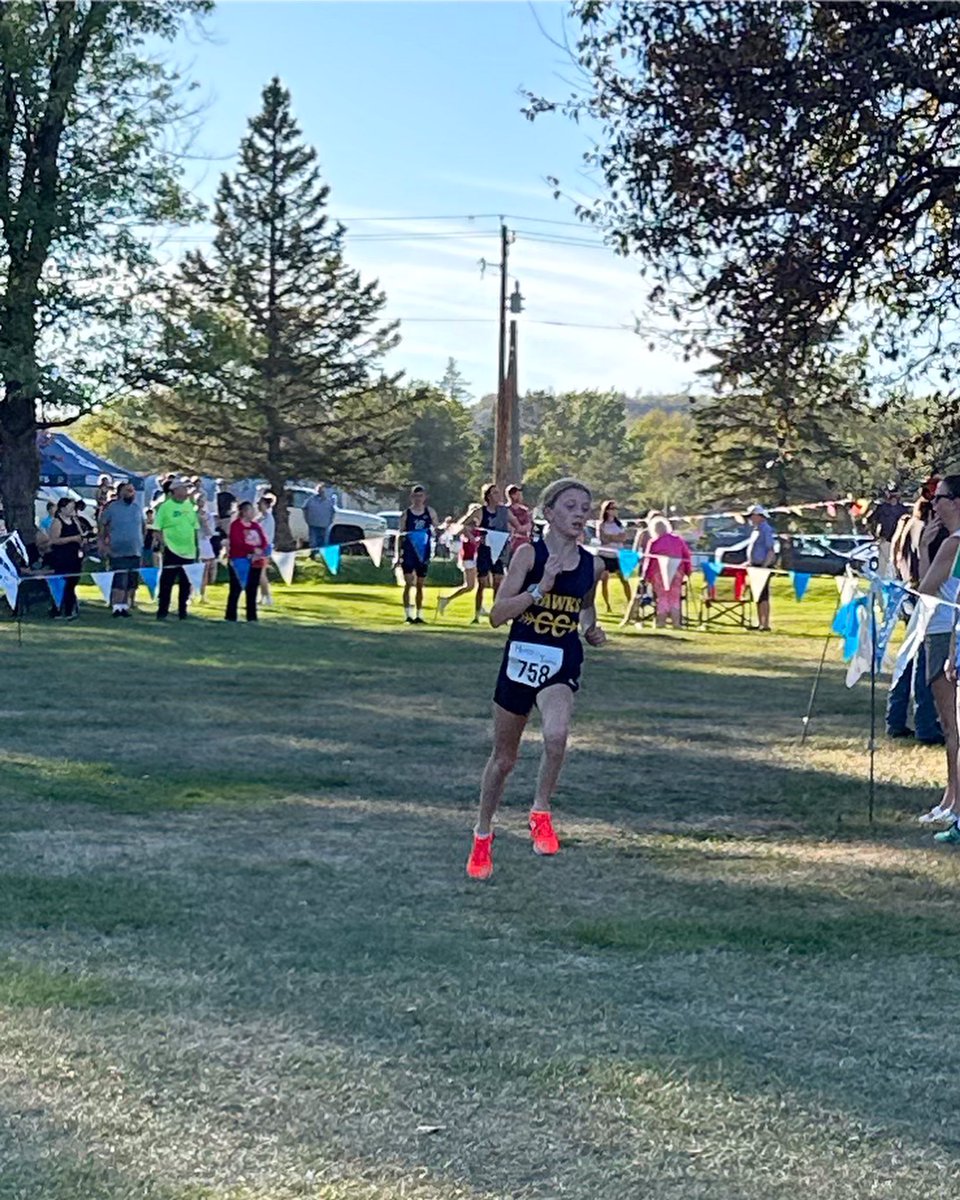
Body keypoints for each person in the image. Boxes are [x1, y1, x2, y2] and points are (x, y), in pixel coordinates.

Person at [466, 478, 607, 880]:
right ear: (549, 513)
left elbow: (585, 609)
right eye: (571, 506)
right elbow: (497, 615)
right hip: (520, 660)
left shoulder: (591, 565)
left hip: (561, 659)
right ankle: (482, 833)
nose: (580, 514)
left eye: (585, 507)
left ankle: (540, 811)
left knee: (556, 735)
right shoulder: (529, 555)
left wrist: (592, 630)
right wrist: (539, 589)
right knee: (503, 760)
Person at [917, 475, 960, 839]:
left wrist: (923, 549)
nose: (934, 504)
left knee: (952, 726)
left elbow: (925, 588)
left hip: (946, 633)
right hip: (944, 630)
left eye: (940, 498)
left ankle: (955, 803)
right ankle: (950, 798)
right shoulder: (947, 542)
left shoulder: (952, 544)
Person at [886, 495, 945, 745]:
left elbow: (895, 555)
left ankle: (896, 719)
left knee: (909, 660)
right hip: (927, 598)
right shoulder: (933, 534)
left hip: (910, 592)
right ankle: (925, 724)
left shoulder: (907, 525)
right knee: (923, 666)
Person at [154, 477, 199, 621]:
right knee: (167, 582)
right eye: (183, 488)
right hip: (172, 550)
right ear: (175, 491)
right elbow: (156, 529)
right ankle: (162, 611)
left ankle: (182, 611)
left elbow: (195, 527)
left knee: (186, 583)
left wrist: (196, 547)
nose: (186, 491)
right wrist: (164, 544)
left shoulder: (189, 506)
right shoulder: (165, 507)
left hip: (189, 551)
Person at [98, 480, 144, 617]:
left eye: (133, 491)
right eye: (128, 490)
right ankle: (117, 607)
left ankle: (125, 606)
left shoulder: (137, 508)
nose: (132, 493)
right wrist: (102, 544)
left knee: (131, 581)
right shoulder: (111, 508)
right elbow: (102, 527)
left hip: (135, 550)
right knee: (120, 580)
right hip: (117, 551)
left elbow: (143, 527)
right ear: (120, 493)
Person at [396, 484, 437, 624]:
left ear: (424, 497)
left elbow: (437, 528)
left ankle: (419, 614)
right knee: (409, 583)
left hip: (423, 551)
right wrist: (397, 555)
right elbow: (400, 535)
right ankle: (408, 614)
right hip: (408, 551)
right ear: (411, 497)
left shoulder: (429, 512)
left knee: (420, 584)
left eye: (421, 496)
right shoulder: (406, 514)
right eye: (416, 496)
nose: (418, 499)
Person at [643, 514, 693, 628]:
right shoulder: (678, 540)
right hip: (677, 571)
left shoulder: (653, 542)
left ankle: (661, 622)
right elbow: (686, 556)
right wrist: (688, 570)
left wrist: (645, 576)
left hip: (658, 573)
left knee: (662, 597)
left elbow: (648, 560)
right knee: (675, 598)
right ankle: (676, 623)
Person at [225, 501, 268, 622]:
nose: (253, 512)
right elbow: (237, 542)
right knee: (236, 588)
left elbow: (263, 540)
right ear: (244, 512)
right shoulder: (236, 525)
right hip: (239, 561)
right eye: (250, 510)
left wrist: (260, 550)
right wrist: (252, 549)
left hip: (256, 562)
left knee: (252, 589)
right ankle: (231, 616)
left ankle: (252, 616)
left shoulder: (255, 526)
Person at [475, 483, 511, 622]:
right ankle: (477, 614)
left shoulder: (503, 511)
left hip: (499, 549)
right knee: (482, 583)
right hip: (485, 550)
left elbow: (515, 524)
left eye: (498, 492)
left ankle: (496, 614)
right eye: (495, 493)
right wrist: (475, 537)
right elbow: (463, 524)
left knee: (498, 582)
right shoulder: (481, 510)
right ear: (488, 496)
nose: (498, 495)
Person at [437, 508, 482, 618]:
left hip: (475, 556)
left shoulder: (478, 527)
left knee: (478, 584)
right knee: (469, 586)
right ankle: (446, 599)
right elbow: (462, 532)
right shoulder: (465, 527)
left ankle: (480, 606)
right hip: (468, 557)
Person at [46, 497, 84, 620]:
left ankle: (69, 609)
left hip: (74, 557)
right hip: (61, 557)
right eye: (70, 507)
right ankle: (56, 609)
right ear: (62, 508)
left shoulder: (75, 521)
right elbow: (54, 540)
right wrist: (72, 539)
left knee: (72, 583)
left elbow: (80, 535)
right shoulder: (57, 522)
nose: (73, 509)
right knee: (61, 583)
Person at [596, 499, 631, 612]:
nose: (614, 511)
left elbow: (624, 537)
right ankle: (607, 605)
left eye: (616, 508)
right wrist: (615, 537)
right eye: (612, 508)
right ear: (606, 511)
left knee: (624, 580)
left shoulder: (619, 524)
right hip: (605, 555)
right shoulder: (602, 524)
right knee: (604, 580)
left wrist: (612, 537)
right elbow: (603, 539)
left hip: (618, 555)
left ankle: (630, 603)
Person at [746, 503, 777, 631]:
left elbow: (770, 550)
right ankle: (759, 622)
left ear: (759, 516)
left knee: (763, 595)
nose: (750, 519)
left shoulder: (766, 530)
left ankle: (765, 624)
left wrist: (765, 566)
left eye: (752, 516)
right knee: (757, 595)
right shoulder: (755, 530)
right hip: (754, 566)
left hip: (762, 566)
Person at [868, 486, 909, 577]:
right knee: (882, 567)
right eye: (891, 493)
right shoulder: (882, 508)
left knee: (896, 566)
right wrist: (875, 536)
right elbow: (871, 521)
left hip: (899, 542)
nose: (893, 495)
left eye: (895, 493)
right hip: (885, 540)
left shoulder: (903, 510)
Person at [194, 489, 217, 604]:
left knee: (204, 571)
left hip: (204, 544)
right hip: (193, 545)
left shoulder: (208, 516)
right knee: (192, 571)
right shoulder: (191, 514)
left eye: (202, 500)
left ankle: (202, 595)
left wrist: (204, 523)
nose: (200, 503)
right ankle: (190, 594)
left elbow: (210, 533)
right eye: (198, 500)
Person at [303, 483, 335, 557]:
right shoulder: (310, 500)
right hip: (313, 524)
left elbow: (333, 512)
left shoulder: (329, 501)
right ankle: (313, 555)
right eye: (319, 490)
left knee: (324, 542)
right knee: (313, 542)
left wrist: (330, 521)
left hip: (325, 524)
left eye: (322, 490)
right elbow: (304, 509)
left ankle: (323, 556)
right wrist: (307, 519)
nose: (321, 492)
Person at [257, 493, 276, 607]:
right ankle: (262, 595)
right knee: (258, 574)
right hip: (258, 548)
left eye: (261, 504)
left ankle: (268, 597)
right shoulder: (260, 517)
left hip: (264, 548)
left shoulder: (268, 518)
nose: (259, 506)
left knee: (261, 573)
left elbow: (265, 536)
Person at [507, 484, 533, 555]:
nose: (520, 496)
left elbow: (529, 526)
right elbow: (509, 527)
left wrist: (520, 529)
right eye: (517, 494)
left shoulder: (524, 510)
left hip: (524, 542)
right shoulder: (505, 510)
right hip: (511, 544)